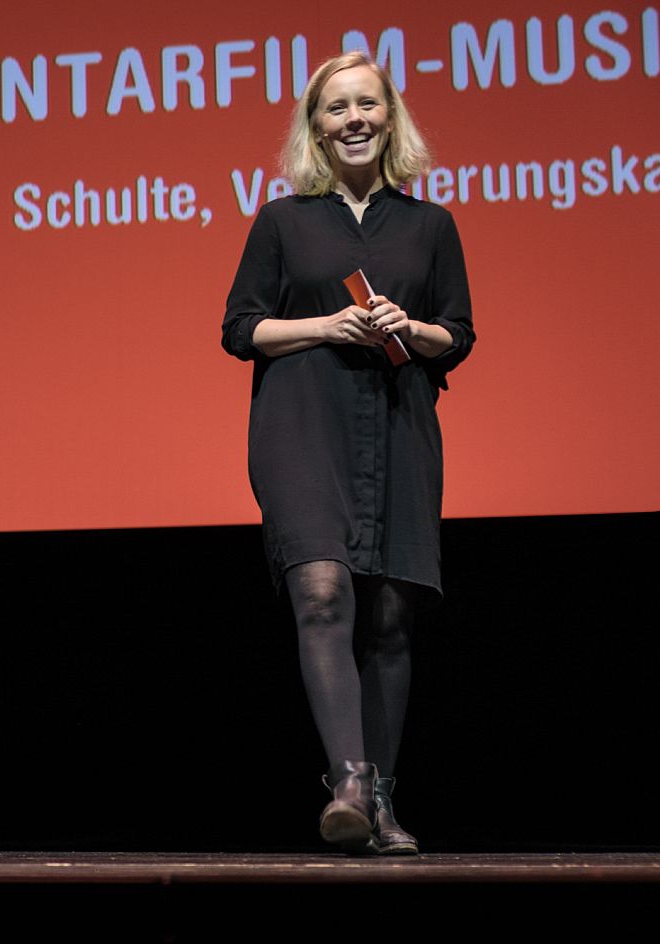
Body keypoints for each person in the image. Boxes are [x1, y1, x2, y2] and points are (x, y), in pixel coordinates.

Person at [221, 53, 474, 854]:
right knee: (323, 593)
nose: (354, 119)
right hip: (302, 425)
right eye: (337, 108)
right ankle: (350, 784)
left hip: (399, 426)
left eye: (367, 104)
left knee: (392, 616)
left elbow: (458, 335)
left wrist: (411, 327)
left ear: (390, 119)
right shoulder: (281, 221)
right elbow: (240, 329)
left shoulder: (432, 225)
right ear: (317, 128)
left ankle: (383, 805)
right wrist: (327, 326)